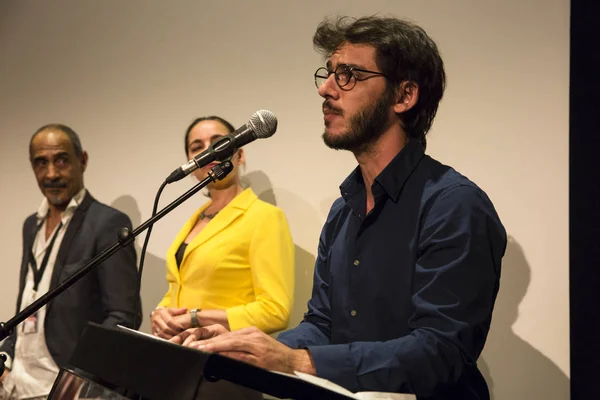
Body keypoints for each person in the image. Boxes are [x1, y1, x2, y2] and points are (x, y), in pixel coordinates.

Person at [172, 16, 507, 400]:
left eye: (348, 75)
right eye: (329, 73)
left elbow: (439, 351)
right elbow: (322, 322)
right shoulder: (342, 210)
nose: (326, 89)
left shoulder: (455, 205)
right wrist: (245, 345)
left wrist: (296, 362)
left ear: (404, 95)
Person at [150, 116, 295, 398]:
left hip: (228, 371)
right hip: (180, 367)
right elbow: (179, 288)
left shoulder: (264, 217)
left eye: (218, 143)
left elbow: (275, 310)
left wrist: (194, 318)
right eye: (197, 147)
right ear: (191, 164)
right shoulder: (193, 221)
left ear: (240, 153)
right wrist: (161, 314)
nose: (209, 151)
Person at [0, 124, 140, 400]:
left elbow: (124, 317)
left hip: (60, 387)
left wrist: (76, 384)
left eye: (61, 160)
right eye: (41, 163)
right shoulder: (32, 225)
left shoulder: (108, 223)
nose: (51, 173)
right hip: (15, 383)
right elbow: (31, 300)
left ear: (82, 161)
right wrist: (7, 359)